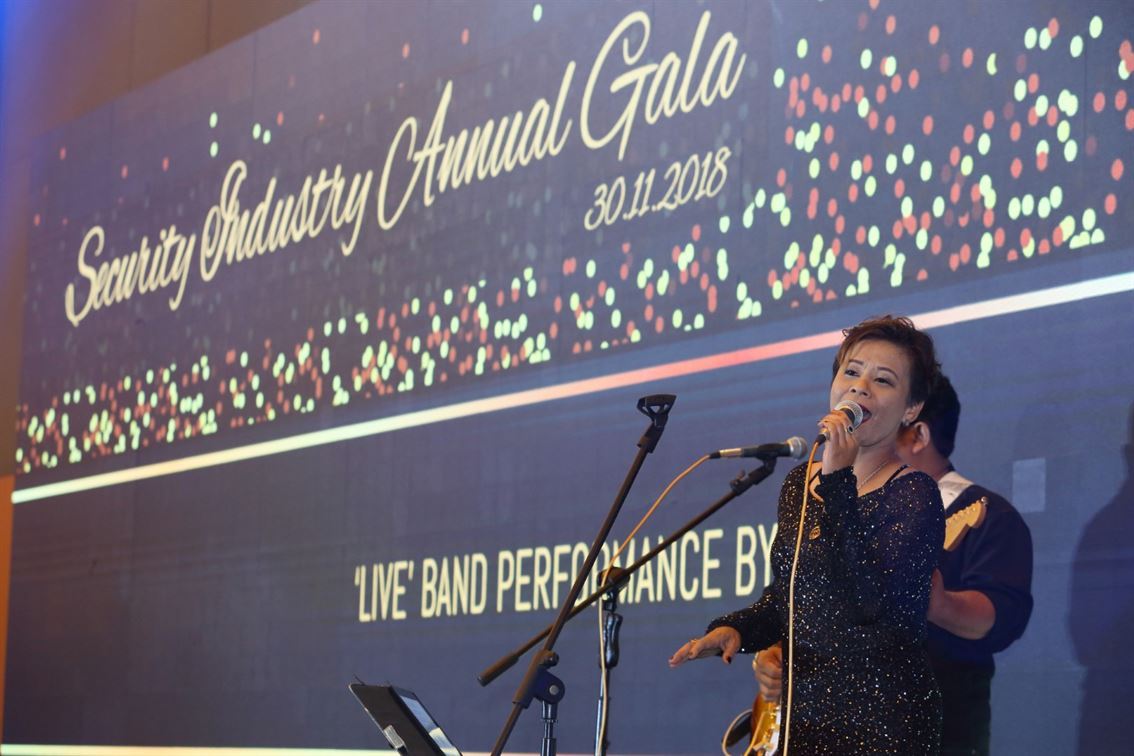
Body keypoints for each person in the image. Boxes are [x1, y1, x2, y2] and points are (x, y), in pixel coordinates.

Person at [670, 315, 946, 754]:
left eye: (882, 380)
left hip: (881, 726)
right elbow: (792, 599)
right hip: (805, 722)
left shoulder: (914, 494)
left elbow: (869, 605)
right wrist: (736, 629)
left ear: (911, 409)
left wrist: (837, 482)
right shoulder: (801, 483)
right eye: (851, 372)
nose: (860, 388)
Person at [752, 374, 1034, 755]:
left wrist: (938, 603)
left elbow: (1002, 615)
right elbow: (791, 599)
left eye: (877, 421)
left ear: (918, 434)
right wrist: (772, 655)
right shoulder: (843, 507)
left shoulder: (985, 514)